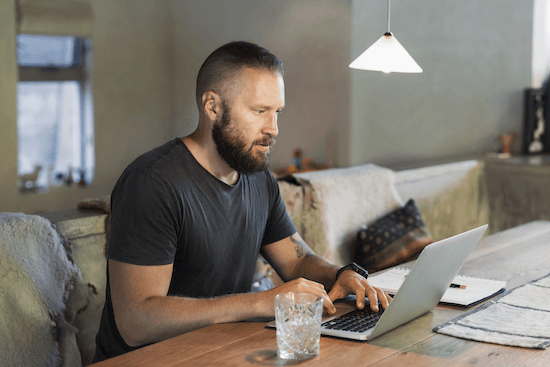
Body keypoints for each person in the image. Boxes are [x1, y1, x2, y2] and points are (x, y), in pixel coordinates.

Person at [93, 41, 391, 362]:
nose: (273, 129)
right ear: (212, 107)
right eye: (259, 111)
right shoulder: (152, 183)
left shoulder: (258, 178)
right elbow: (136, 322)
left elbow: (296, 261)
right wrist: (260, 302)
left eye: (277, 112)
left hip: (220, 351)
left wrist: (341, 275)